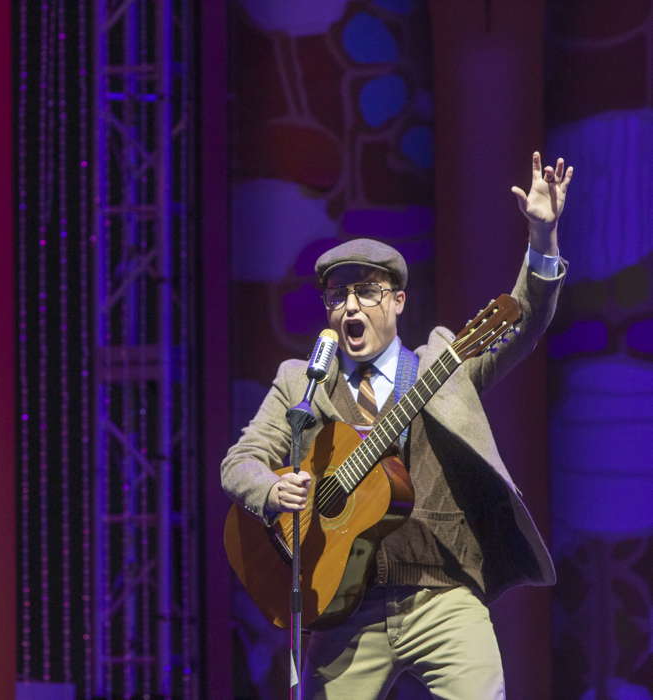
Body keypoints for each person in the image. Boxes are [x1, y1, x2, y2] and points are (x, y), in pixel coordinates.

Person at [220, 151, 574, 698]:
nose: (351, 306)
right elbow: (238, 463)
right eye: (339, 295)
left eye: (367, 291)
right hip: (344, 609)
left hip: (442, 595)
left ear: (399, 301)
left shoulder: (442, 364)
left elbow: (522, 324)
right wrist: (270, 490)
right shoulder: (301, 381)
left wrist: (542, 239)